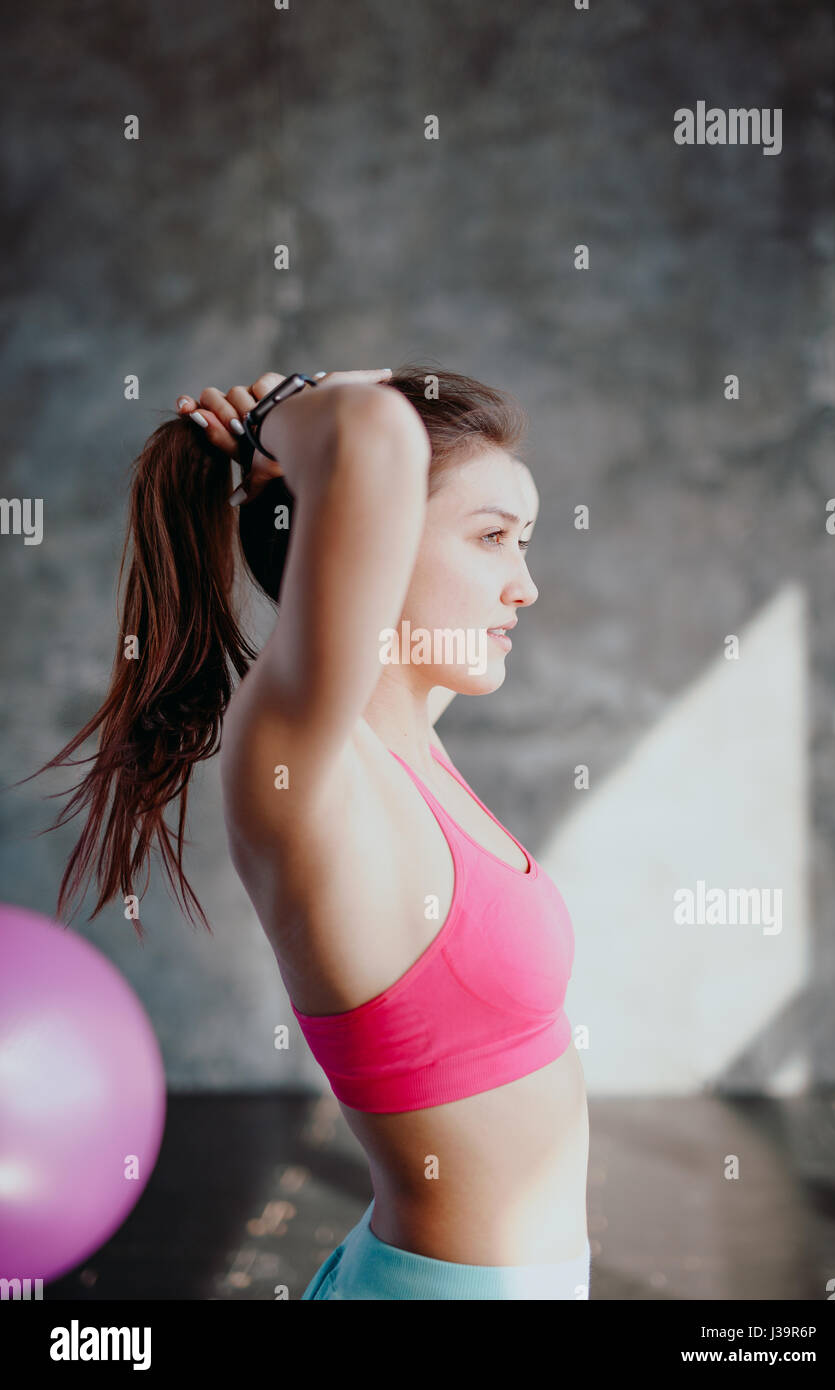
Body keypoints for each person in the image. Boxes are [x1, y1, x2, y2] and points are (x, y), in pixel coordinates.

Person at [33, 363, 590, 1299]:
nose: (524, 586)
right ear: (368, 538)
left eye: (525, 541)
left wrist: (288, 439)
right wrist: (283, 412)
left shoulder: (409, 737)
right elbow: (370, 440)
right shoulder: (301, 767)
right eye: (492, 538)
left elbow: (373, 443)